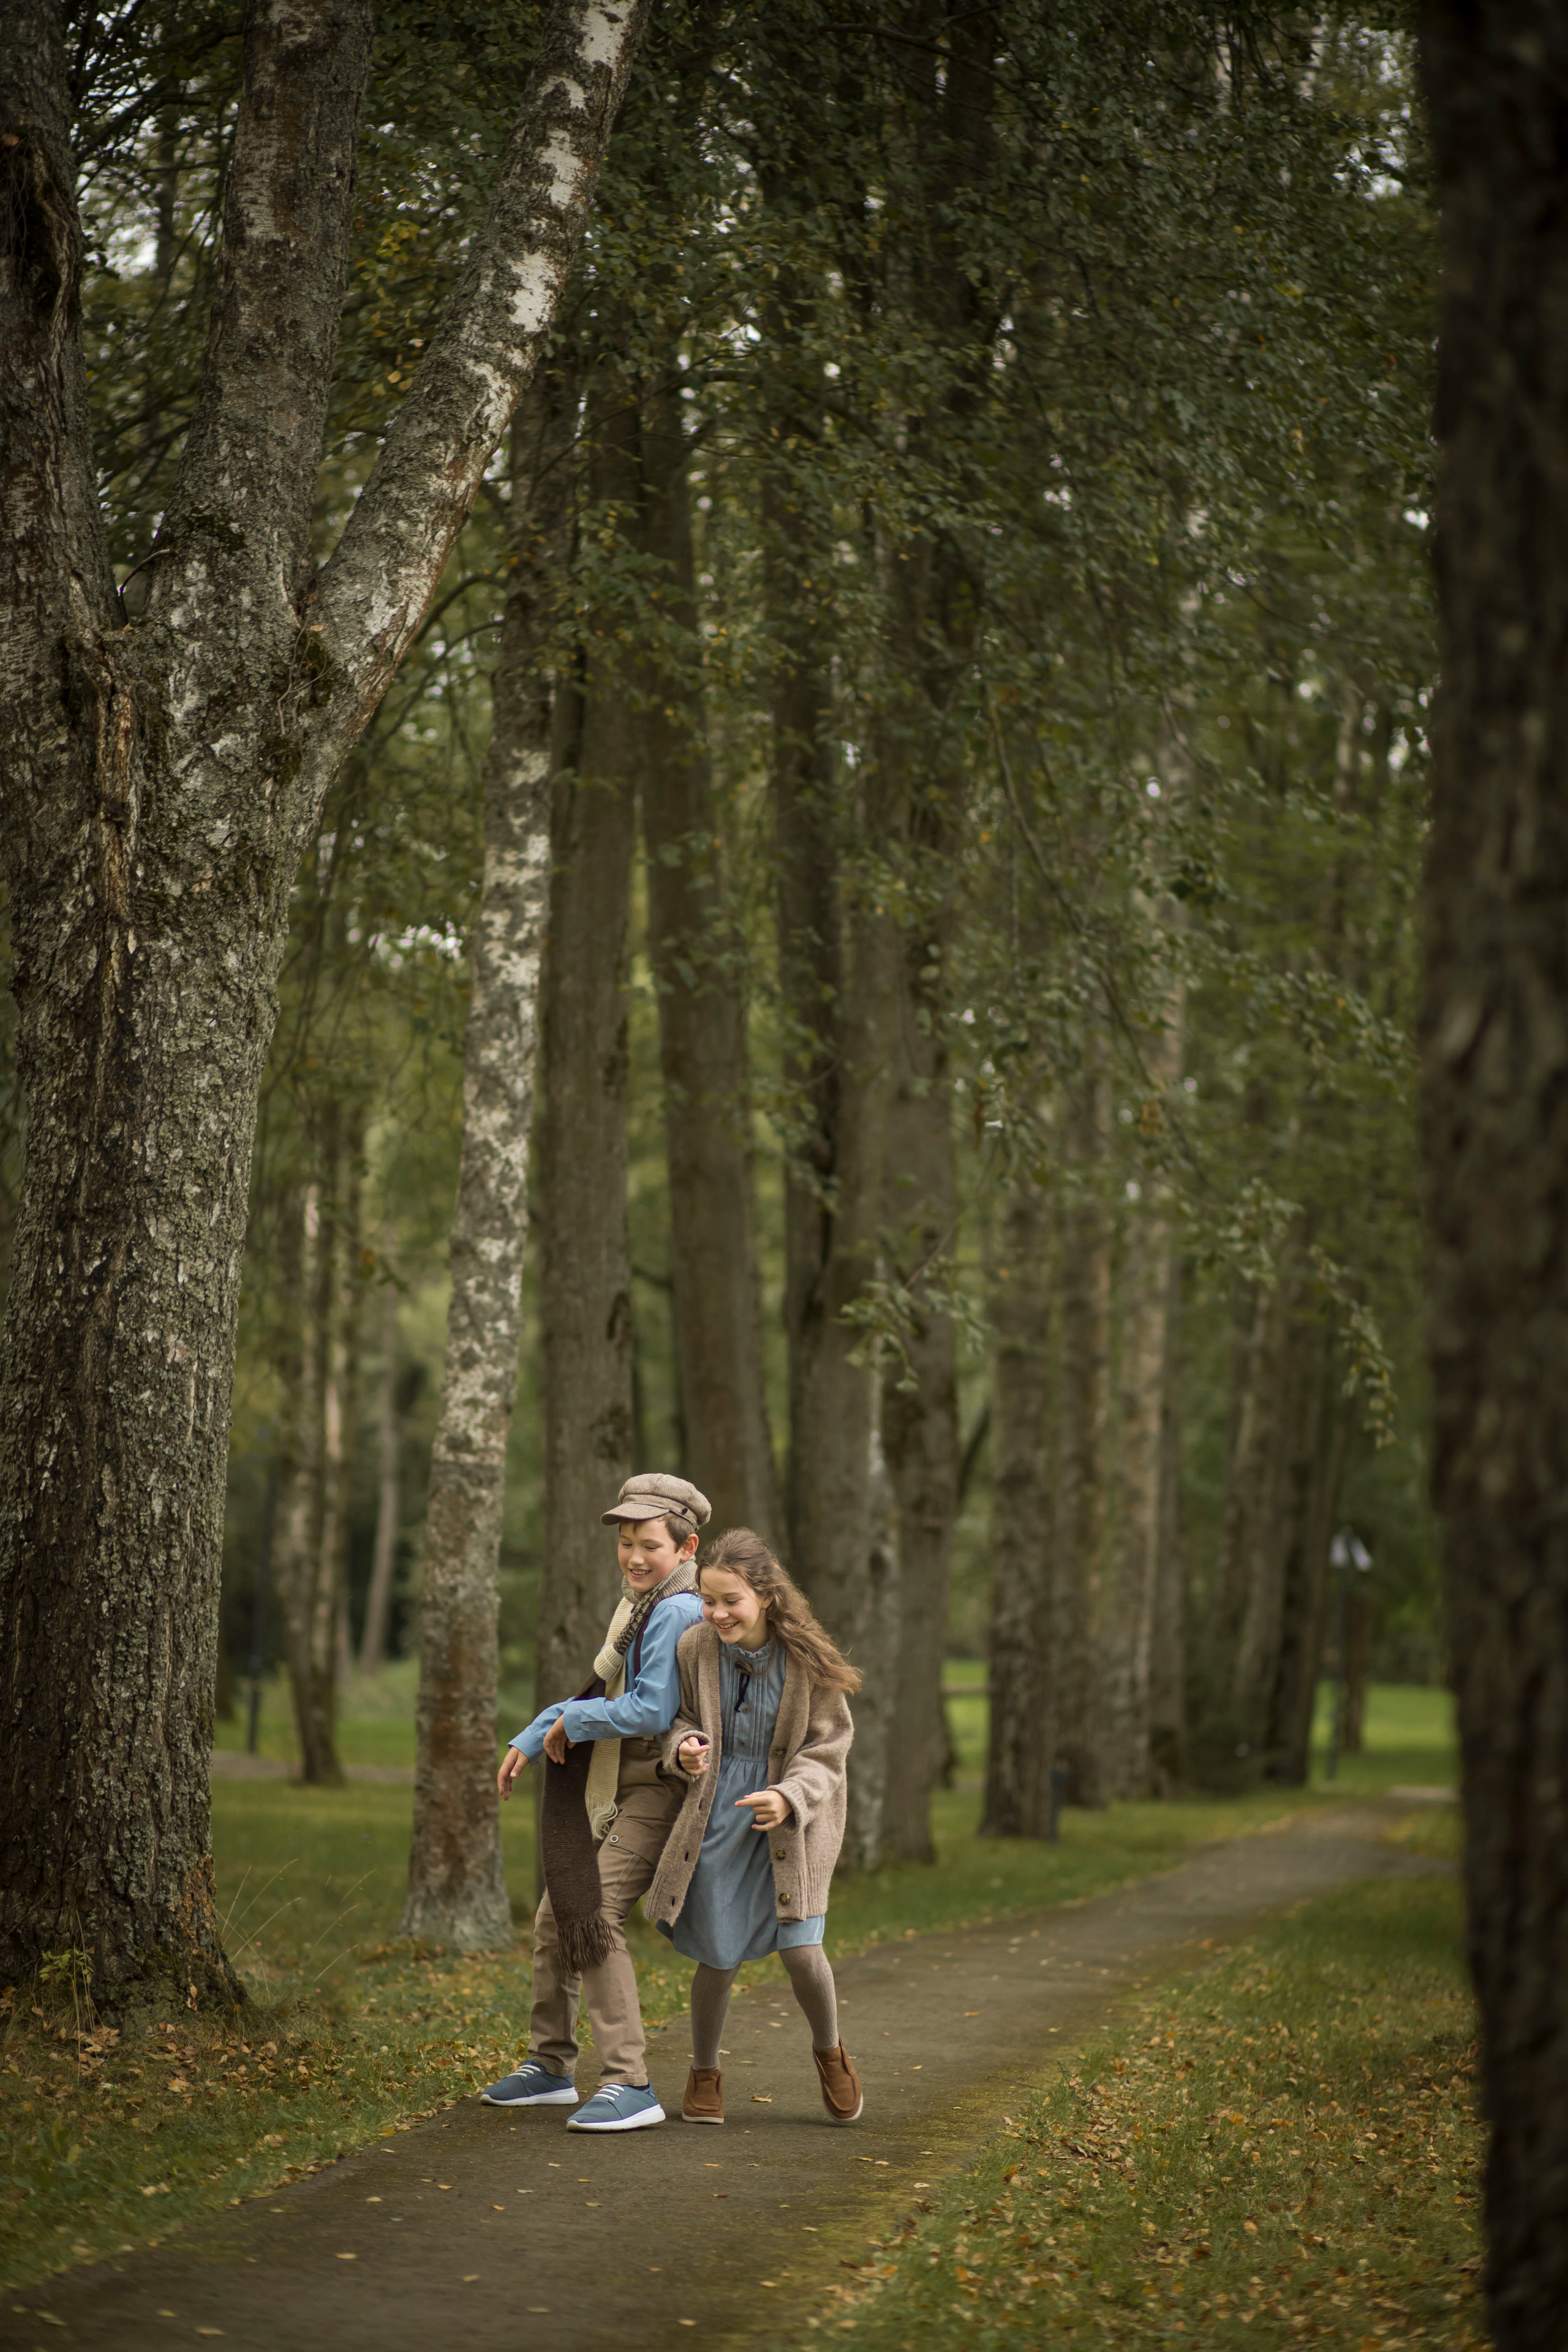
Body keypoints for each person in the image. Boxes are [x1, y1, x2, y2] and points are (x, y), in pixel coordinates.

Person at [481, 1472, 708, 2133]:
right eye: (627, 1543)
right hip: (625, 1779)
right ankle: (550, 2065)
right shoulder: (640, 1608)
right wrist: (534, 1734)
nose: (635, 1557)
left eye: (652, 1546)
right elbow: (601, 1696)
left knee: (594, 1913)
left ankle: (630, 2083)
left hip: (661, 1785)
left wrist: (569, 1727)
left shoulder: (676, 1610)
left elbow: (650, 1710)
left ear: (687, 1547)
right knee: (559, 1913)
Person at [646, 1526, 864, 2128]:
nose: (716, 1613)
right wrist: (683, 1746)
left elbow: (828, 1748)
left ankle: (830, 2052)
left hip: (793, 1822)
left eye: (730, 1601)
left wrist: (789, 1797)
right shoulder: (694, 1648)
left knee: (802, 1949)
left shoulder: (806, 1659)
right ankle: (704, 2072)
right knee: (716, 1955)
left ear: (766, 1595)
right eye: (708, 1600)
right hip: (717, 1817)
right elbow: (678, 1718)